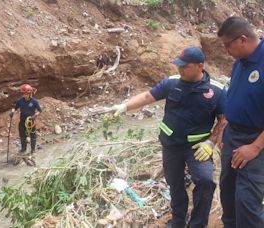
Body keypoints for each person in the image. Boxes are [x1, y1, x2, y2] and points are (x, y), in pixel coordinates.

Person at [109, 47, 227, 228]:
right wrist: (125, 106)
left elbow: (223, 120)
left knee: (205, 181)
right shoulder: (172, 83)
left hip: (198, 147)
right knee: (175, 184)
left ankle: (197, 224)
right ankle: (178, 221)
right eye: (178, 66)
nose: (179, 70)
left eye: (184, 66)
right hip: (171, 146)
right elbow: (148, 96)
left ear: (200, 66)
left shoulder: (217, 91)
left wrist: (211, 142)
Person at [217, 16, 264, 228]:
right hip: (233, 134)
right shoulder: (240, 62)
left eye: (227, 45)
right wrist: (224, 126)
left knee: (247, 200)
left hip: (255, 139)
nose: (226, 50)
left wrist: (255, 147)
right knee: (227, 191)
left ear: (242, 39)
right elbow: (234, 96)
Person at [10, 84, 42, 155]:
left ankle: (33, 150)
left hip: (31, 121)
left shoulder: (34, 101)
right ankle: (23, 149)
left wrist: (35, 115)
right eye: (23, 94)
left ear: (30, 93)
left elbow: (40, 110)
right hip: (22, 121)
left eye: (26, 94)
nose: (24, 95)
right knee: (22, 135)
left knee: (33, 135)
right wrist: (12, 112)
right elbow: (15, 107)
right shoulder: (20, 100)